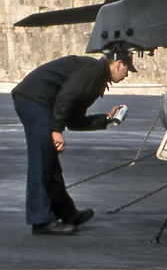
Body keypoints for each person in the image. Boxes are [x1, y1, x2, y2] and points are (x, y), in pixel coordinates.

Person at [11, 46, 135, 234]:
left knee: (49, 159)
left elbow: (73, 120)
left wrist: (107, 119)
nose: (127, 75)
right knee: (41, 158)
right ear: (118, 64)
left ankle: (67, 213)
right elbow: (66, 97)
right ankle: (41, 221)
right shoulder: (94, 70)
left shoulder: (96, 77)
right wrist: (56, 130)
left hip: (41, 102)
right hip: (34, 98)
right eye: (127, 69)